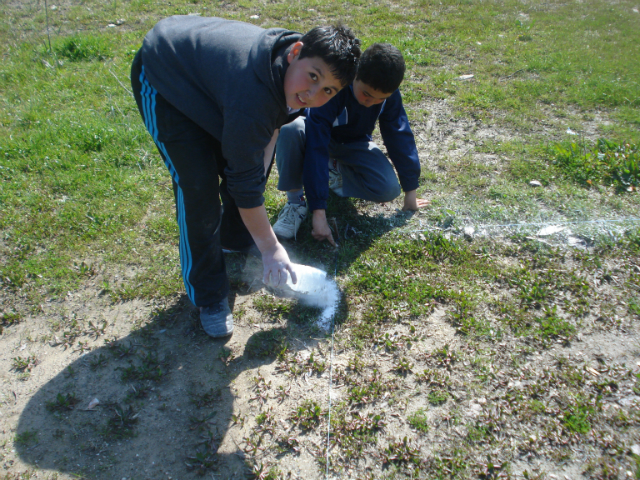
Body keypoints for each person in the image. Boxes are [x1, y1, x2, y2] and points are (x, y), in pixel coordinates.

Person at [130, 16, 361, 338]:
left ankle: (236, 239)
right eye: (312, 77)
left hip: (217, 89)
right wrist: (270, 247)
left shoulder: (292, 76)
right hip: (167, 78)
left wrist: (254, 175)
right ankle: (209, 296)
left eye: (328, 90)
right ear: (295, 52)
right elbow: (244, 178)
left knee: (248, 169)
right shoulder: (252, 96)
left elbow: (264, 142)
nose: (312, 93)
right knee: (199, 190)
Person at [273, 43, 428, 245]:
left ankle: (334, 173)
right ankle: (295, 204)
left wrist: (410, 192)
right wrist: (318, 212)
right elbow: (317, 145)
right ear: (355, 76)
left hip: (354, 144)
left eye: (380, 99)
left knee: (388, 188)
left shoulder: (389, 96)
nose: (371, 102)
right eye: (366, 94)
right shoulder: (336, 86)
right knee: (291, 130)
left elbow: (400, 136)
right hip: (316, 136)